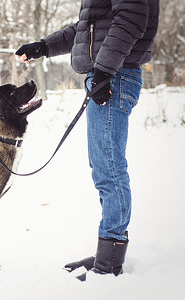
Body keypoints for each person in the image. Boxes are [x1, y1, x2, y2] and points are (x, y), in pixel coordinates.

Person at [15, 0, 159, 280]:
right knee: (103, 167)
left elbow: (131, 17)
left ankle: (110, 261)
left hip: (114, 75)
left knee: (109, 168)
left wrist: (105, 70)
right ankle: (108, 253)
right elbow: (87, 30)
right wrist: (44, 46)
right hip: (109, 73)